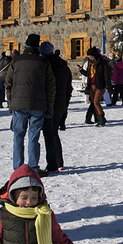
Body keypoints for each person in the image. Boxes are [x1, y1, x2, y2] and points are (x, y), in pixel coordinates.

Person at [4, 34, 55, 171]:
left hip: (18, 103)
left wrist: (10, 101)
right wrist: (50, 105)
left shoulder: (16, 61)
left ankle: (18, 168)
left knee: (18, 136)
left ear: (25, 45)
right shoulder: (44, 62)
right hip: (38, 104)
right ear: (38, 47)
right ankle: (33, 167)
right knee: (33, 136)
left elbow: (8, 82)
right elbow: (51, 86)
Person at [41, 42, 72, 175]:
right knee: (54, 133)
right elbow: (69, 88)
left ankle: (52, 163)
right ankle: (59, 162)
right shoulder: (64, 67)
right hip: (60, 103)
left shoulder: (44, 65)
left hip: (48, 103)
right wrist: (65, 104)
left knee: (48, 133)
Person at [83, 47, 111, 126]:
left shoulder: (102, 62)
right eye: (89, 57)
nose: (90, 58)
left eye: (91, 57)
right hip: (91, 85)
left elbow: (106, 74)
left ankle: (102, 119)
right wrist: (81, 70)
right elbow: (88, 74)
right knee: (94, 103)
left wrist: (108, 85)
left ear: (95, 56)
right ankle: (99, 118)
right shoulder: (90, 63)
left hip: (100, 85)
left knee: (96, 102)